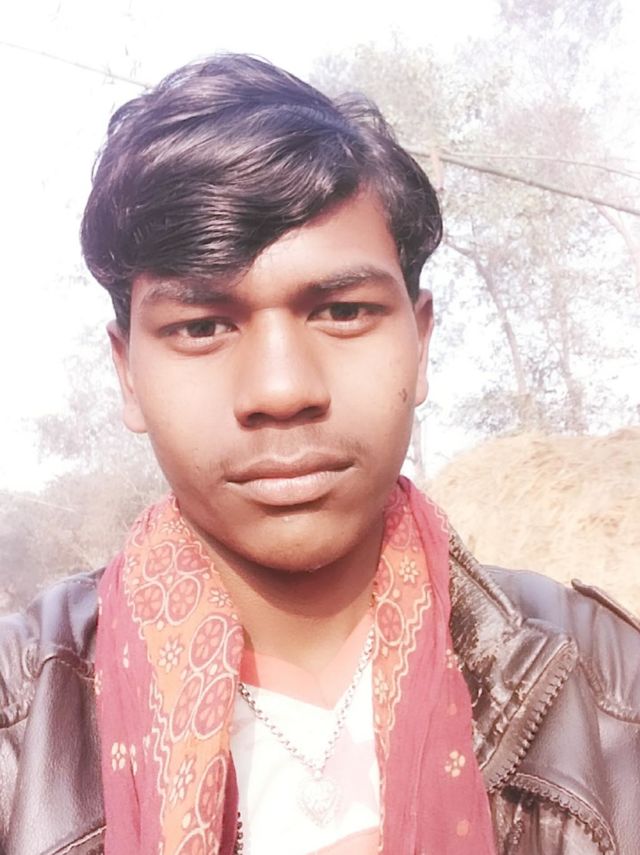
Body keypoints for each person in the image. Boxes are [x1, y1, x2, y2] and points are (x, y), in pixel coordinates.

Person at [0, 53, 638, 855]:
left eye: (341, 311)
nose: (281, 388)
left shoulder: (607, 689)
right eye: (202, 326)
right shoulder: (20, 717)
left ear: (420, 342)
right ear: (128, 373)